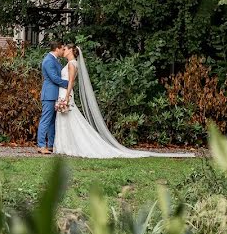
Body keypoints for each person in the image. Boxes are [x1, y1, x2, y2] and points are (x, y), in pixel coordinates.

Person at [53, 44, 193, 158]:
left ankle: (72, 146)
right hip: (64, 92)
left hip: (66, 93)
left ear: (71, 50)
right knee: (66, 118)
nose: (63, 51)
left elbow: (71, 81)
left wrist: (66, 96)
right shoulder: (72, 63)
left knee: (71, 119)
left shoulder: (72, 64)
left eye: (65, 49)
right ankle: (65, 146)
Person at [36, 42, 68, 154]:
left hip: (54, 94)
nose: (63, 51)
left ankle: (50, 145)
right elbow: (54, 78)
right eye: (62, 49)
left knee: (51, 121)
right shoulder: (49, 60)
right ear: (57, 49)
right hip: (49, 94)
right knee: (45, 120)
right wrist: (68, 84)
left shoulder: (54, 59)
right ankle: (40, 145)